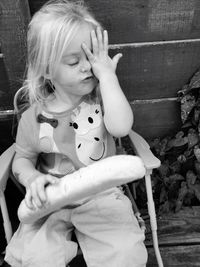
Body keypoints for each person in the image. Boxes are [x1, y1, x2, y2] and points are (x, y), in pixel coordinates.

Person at [5, 0, 148, 266]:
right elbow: (22, 159)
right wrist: (33, 178)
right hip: (53, 200)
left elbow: (120, 128)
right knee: (36, 258)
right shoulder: (33, 118)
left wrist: (108, 78)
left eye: (91, 56)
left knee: (125, 254)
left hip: (101, 195)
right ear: (47, 70)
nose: (86, 66)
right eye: (74, 61)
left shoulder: (102, 98)